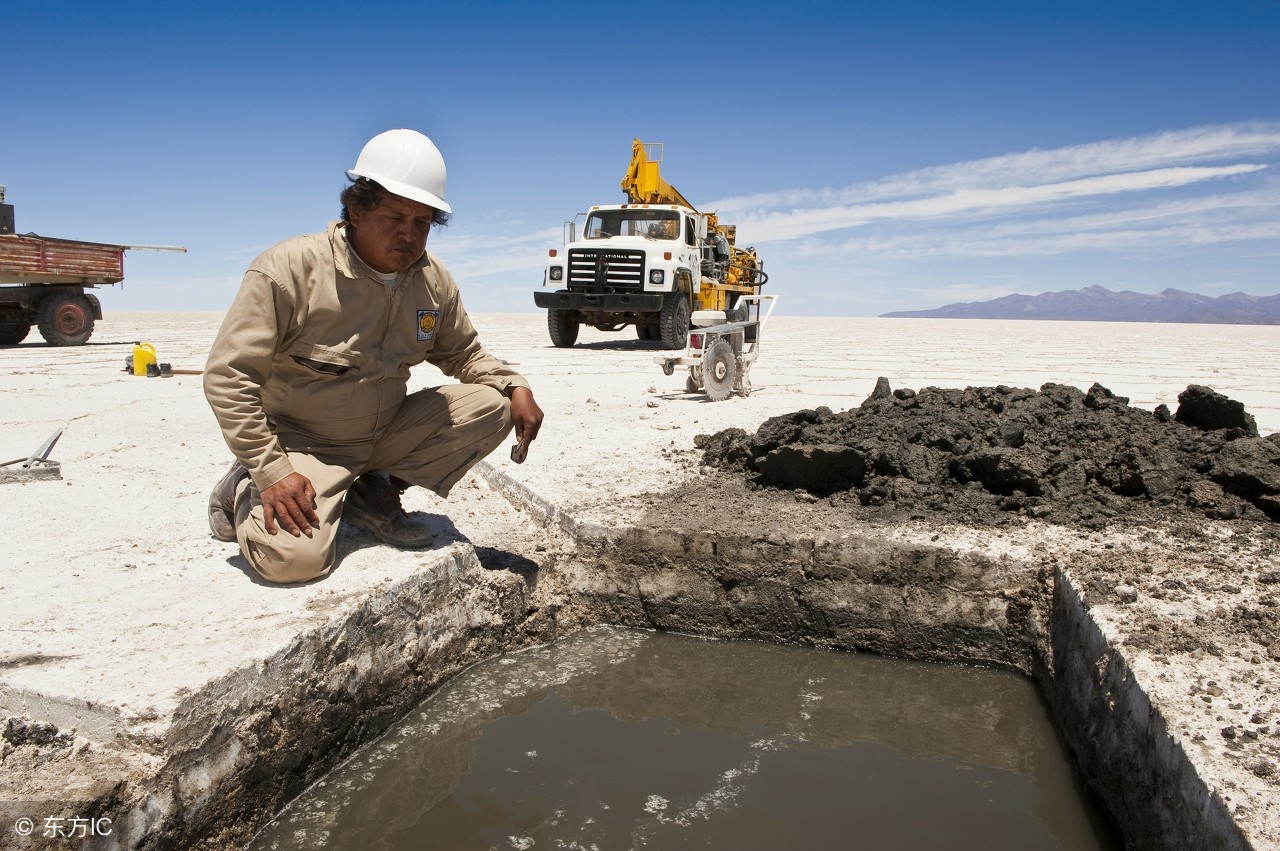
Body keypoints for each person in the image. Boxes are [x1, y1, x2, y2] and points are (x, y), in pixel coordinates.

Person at [204, 128, 543, 584]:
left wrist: (514, 383)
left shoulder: (432, 282)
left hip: (383, 435)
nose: (409, 234)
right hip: (304, 443)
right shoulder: (289, 271)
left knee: (493, 406)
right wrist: (271, 470)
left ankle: (372, 492)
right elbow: (229, 377)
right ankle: (244, 487)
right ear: (355, 210)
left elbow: (464, 352)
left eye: (422, 222)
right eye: (394, 217)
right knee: (294, 563)